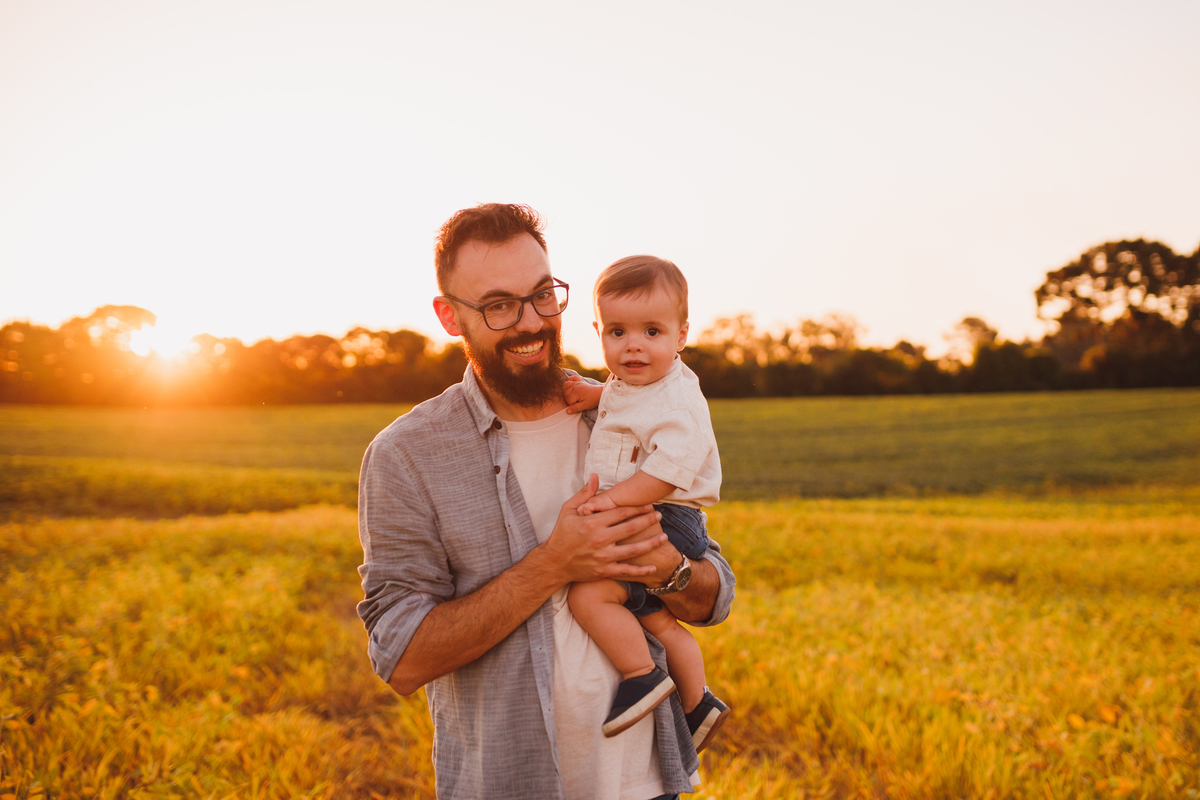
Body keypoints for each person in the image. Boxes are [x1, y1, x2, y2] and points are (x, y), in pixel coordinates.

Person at [356, 203, 736, 800]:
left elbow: (714, 595)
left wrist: (672, 571)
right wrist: (556, 563)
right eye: (499, 305)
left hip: (650, 783)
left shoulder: (620, 406)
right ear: (450, 317)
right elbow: (401, 658)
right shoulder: (407, 455)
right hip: (510, 783)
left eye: (542, 295)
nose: (531, 321)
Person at [562, 255, 730, 752]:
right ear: (598, 331)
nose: (633, 344)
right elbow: (625, 397)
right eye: (617, 332)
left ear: (681, 336)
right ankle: (699, 703)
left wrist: (610, 502)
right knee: (655, 616)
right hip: (652, 513)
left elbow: (663, 473)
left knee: (589, 596)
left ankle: (642, 676)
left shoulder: (680, 403)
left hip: (666, 516)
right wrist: (596, 395)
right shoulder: (634, 379)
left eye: (652, 331)